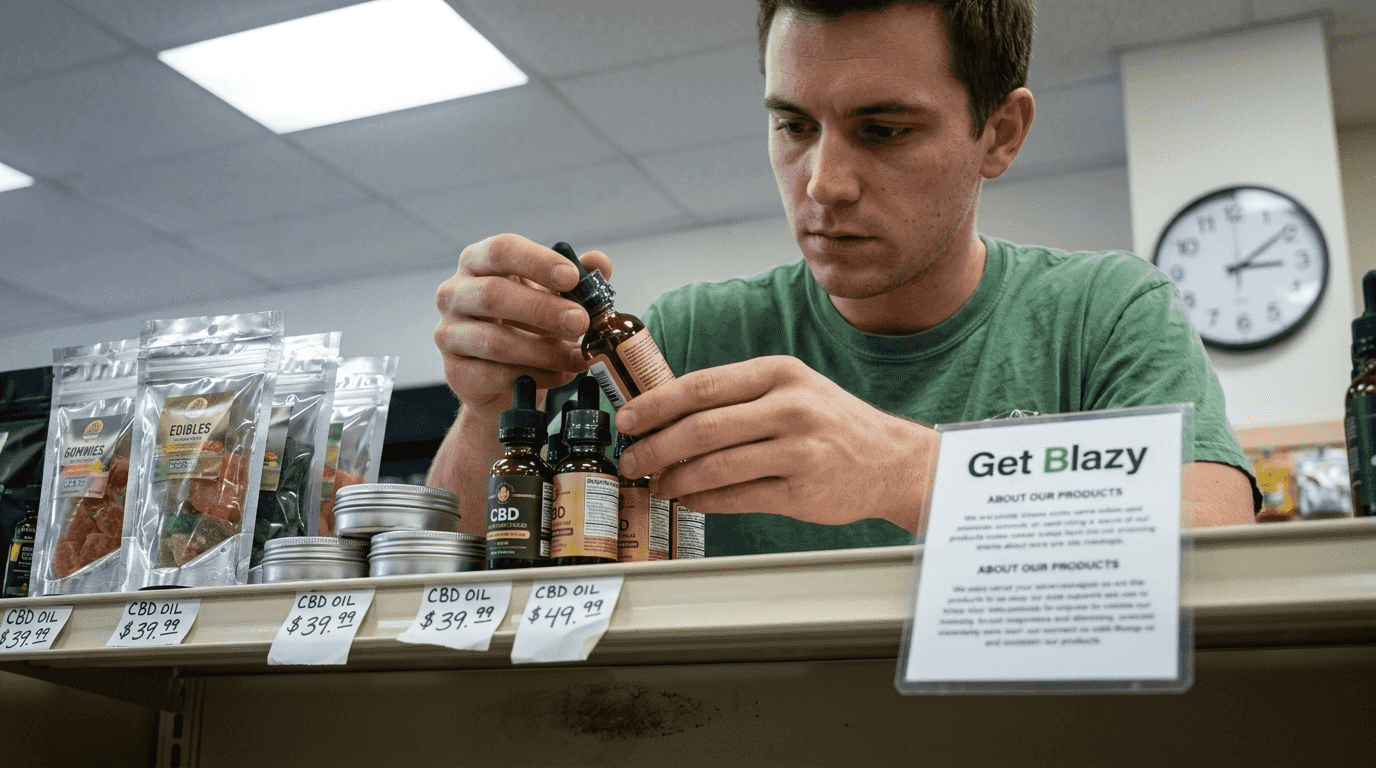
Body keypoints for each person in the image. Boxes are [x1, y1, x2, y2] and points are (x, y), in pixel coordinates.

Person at [429, 0, 1258, 553]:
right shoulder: (684, 343)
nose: (823, 182)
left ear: (999, 133)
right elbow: (469, 568)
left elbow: (1215, 547)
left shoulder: (1106, 315)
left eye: (885, 129)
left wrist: (906, 472)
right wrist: (489, 412)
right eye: (793, 124)